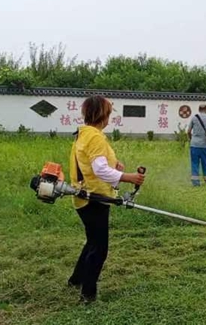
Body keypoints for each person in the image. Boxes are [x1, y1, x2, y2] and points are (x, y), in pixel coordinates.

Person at [67, 95, 145, 303]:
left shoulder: (83, 134)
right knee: (99, 248)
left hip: (84, 196)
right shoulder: (96, 137)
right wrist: (129, 177)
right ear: (104, 115)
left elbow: (91, 161)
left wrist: (115, 164)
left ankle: (76, 279)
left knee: (92, 241)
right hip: (94, 198)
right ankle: (87, 295)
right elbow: (99, 168)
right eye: (109, 113)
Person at [187, 104, 206, 186]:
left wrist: (190, 139)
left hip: (194, 145)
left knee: (194, 163)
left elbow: (188, 131)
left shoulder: (194, 118)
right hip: (205, 146)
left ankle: (195, 182)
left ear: (199, 109)